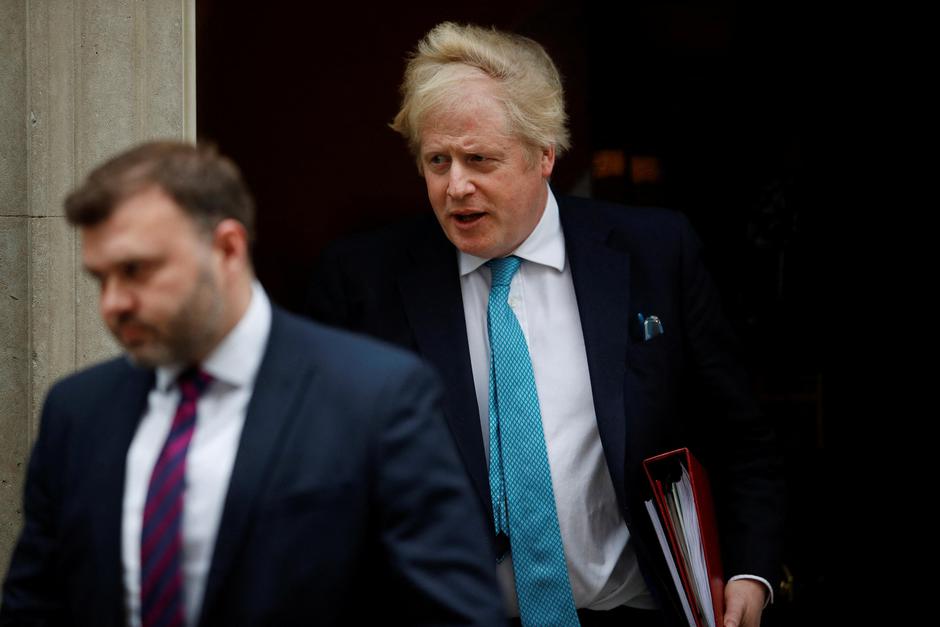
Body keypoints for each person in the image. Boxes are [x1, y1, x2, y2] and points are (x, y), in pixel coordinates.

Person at [306, 22, 785, 627]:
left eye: (479, 159)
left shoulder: (656, 253)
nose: (456, 186)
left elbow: (740, 435)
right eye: (437, 161)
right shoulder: (362, 282)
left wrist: (751, 571)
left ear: (544, 155)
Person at [1, 141, 505, 626]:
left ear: (227, 248)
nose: (113, 303)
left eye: (136, 270)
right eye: (101, 278)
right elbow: (34, 605)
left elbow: (453, 611)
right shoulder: (77, 410)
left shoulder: (375, 397)